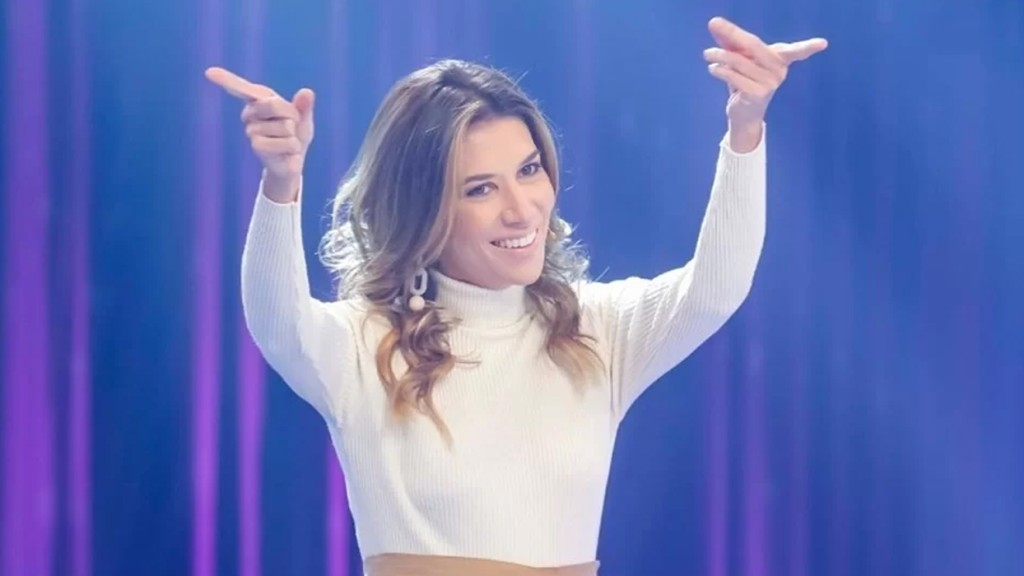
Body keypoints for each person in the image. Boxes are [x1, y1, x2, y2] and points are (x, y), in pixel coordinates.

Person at [205, 15, 826, 576]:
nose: (522, 209)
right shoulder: (365, 346)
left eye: (529, 170)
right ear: (422, 208)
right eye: (480, 189)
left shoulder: (594, 331)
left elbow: (716, 288)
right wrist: (281, 183)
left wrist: (746, 127)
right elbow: (277, 319)